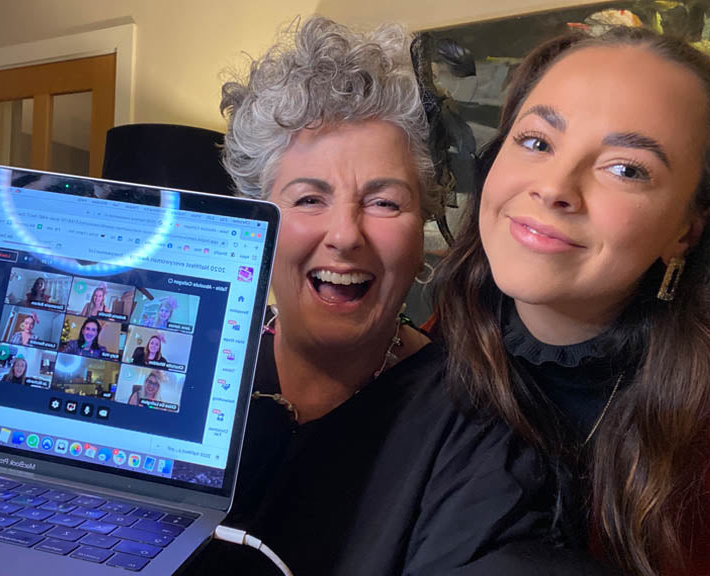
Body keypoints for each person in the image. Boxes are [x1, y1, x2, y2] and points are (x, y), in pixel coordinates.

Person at [186, 16, 597, 576]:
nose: (346, 234)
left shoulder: (478, 429)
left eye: (384, 203)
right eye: (309, 199)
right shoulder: (191, 363)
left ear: (423, 224)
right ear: (259, 221)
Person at [429, 26, 710, 575]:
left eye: (626, 169)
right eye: (536, 142)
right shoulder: (451, 332)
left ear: (687, 229)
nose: (555, 185)